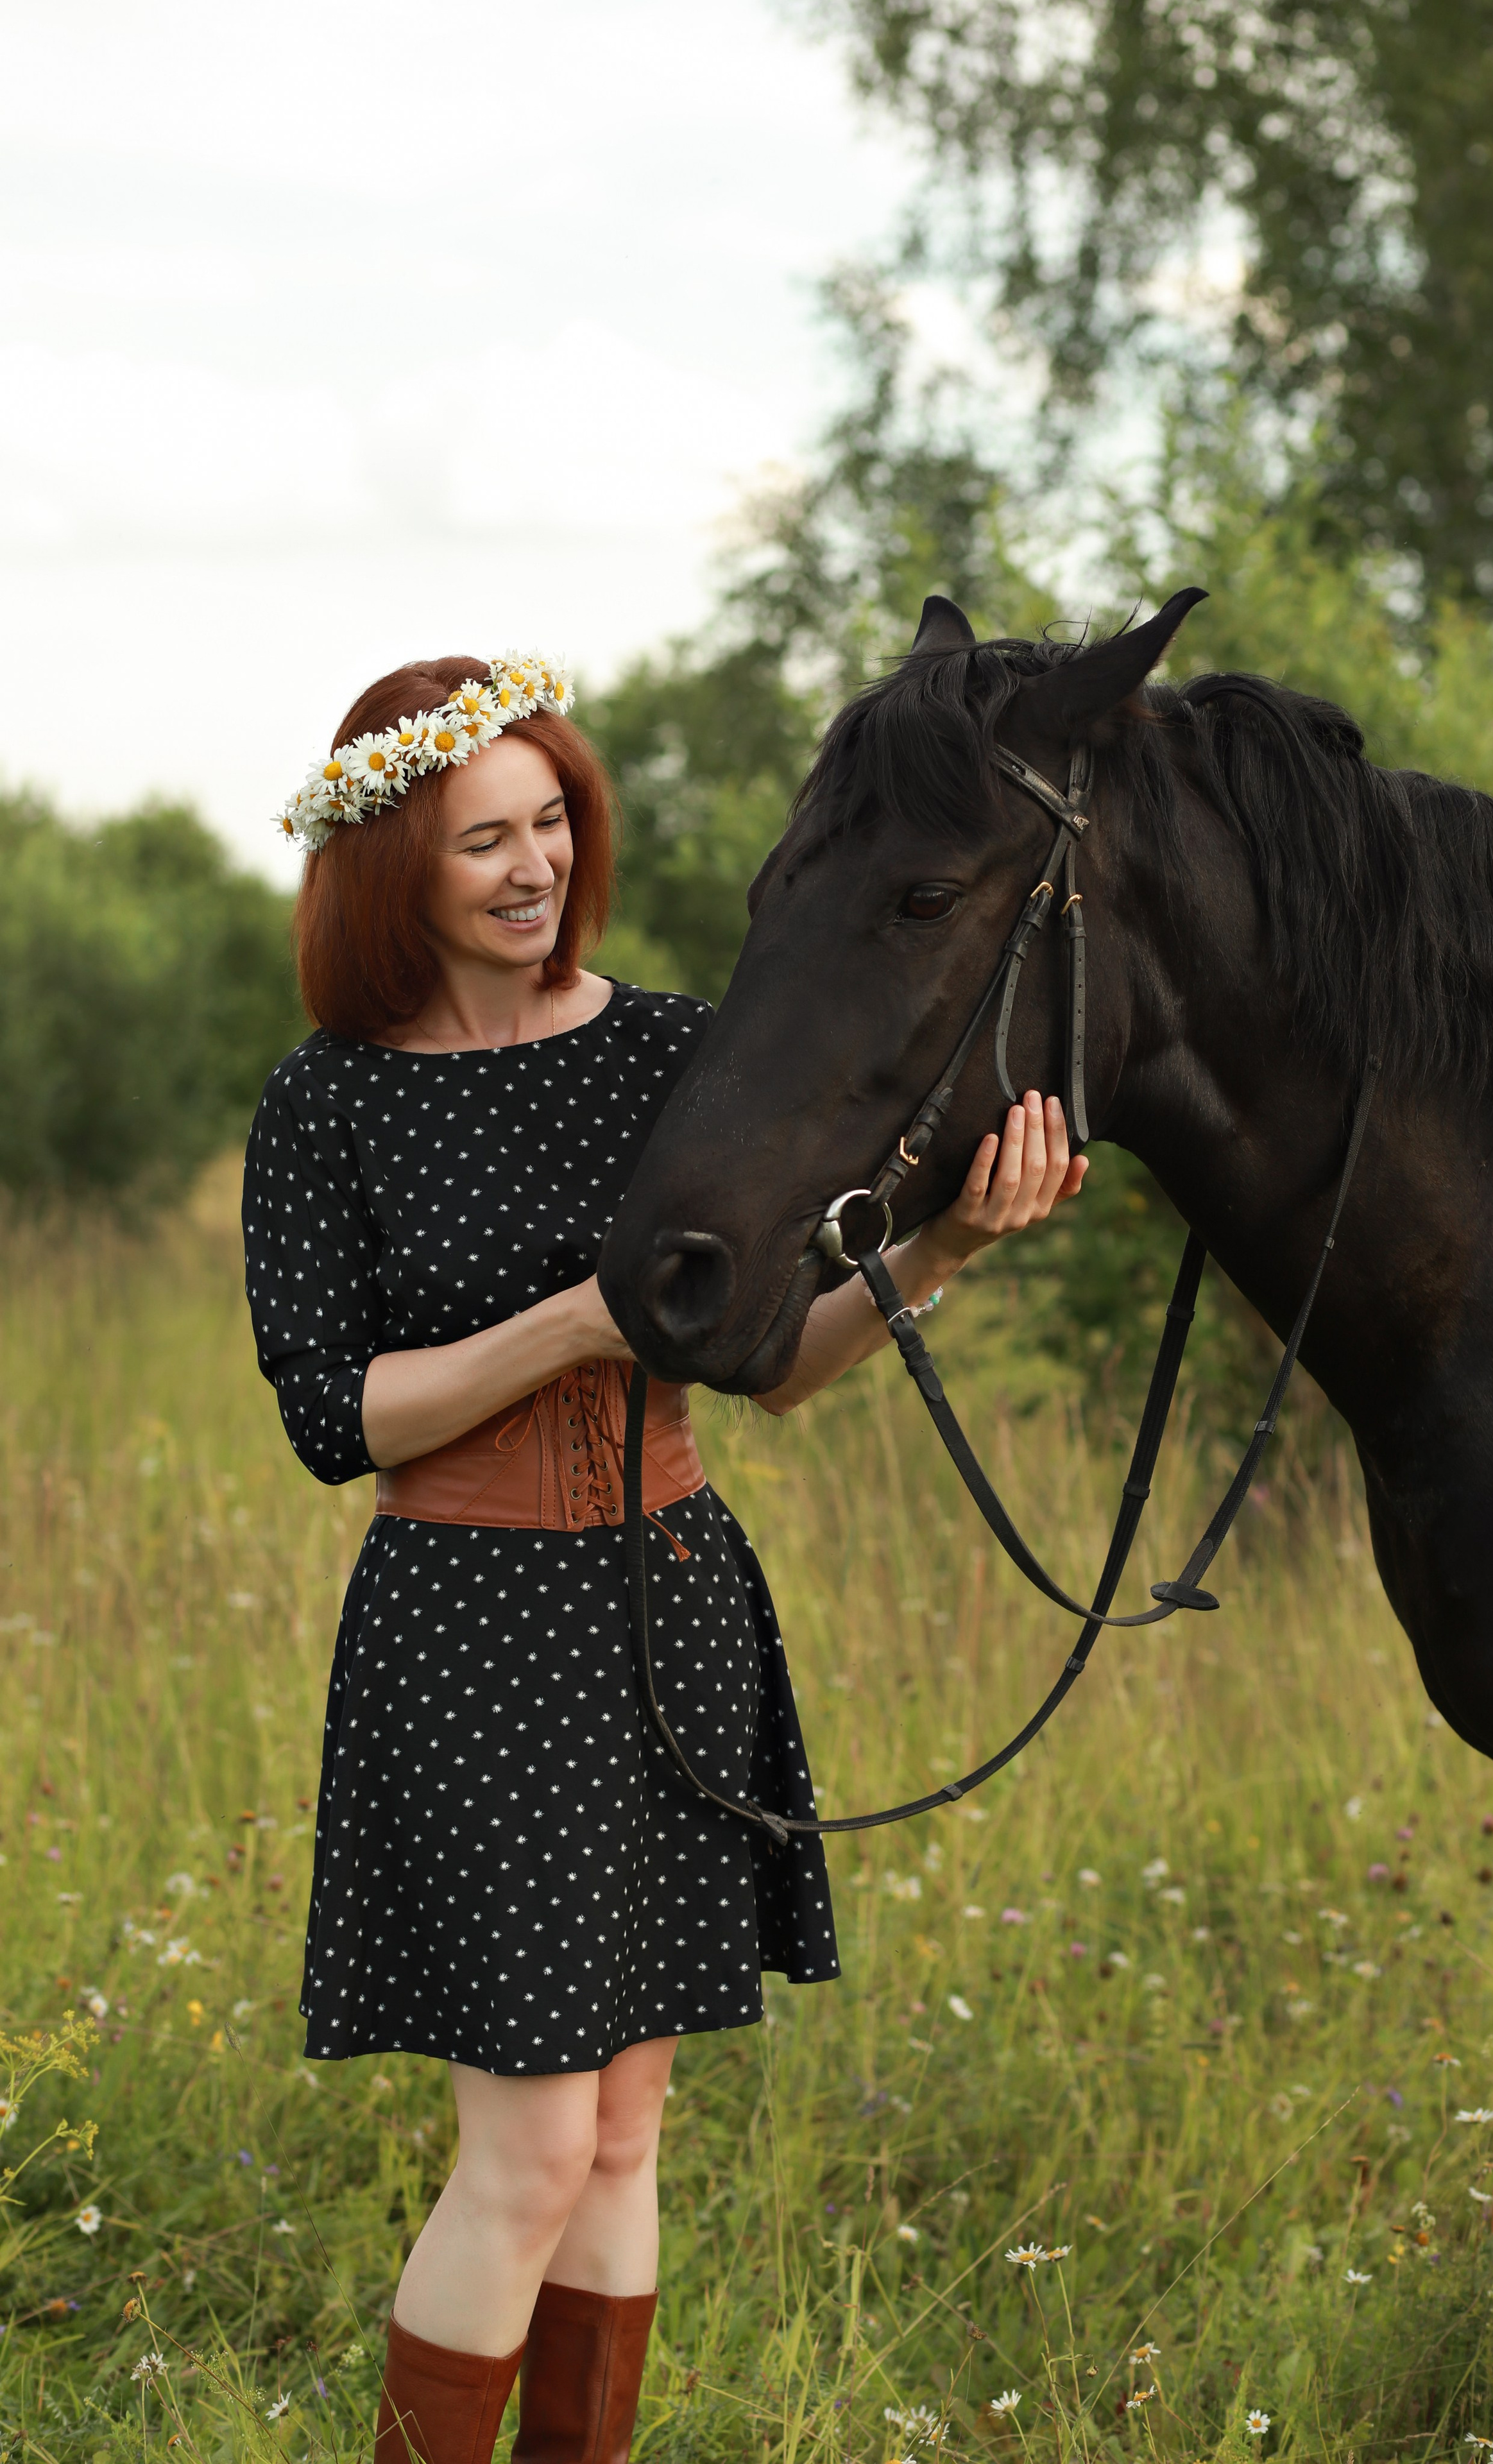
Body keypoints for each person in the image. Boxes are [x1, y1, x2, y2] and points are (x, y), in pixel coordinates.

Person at [243, 653, 1086, 2464]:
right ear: (395, 863)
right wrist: (566, 1329)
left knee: (624, 2135)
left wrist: (943, 1250)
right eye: (486, 841)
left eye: (554, 822)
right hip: (468, 1630)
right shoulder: (326, 1107)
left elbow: (770, 1366)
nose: (536, 867)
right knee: (532, 2147)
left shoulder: (666, 1055)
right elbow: (332, 1414)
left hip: (668, 1600)